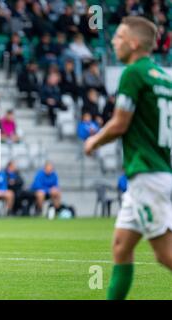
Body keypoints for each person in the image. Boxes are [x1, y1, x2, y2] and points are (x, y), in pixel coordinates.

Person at [84, 16, 172, 300]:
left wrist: (94, 141)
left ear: (134, 44)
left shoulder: (133, 73)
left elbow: (120, 123)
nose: (113, 41)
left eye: (119, 37)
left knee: (165, 254)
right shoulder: (162, 77)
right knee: (121, 247)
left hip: (147, 173)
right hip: (152, 172)